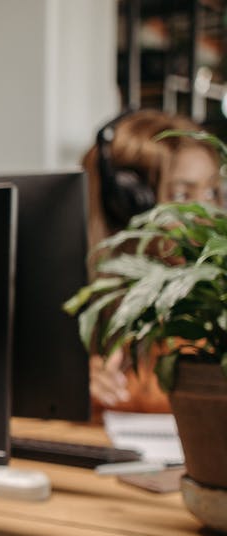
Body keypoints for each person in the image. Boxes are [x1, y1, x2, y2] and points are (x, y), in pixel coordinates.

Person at [80, 109, 221, 417]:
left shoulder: (213, 307)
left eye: (211, 191)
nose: (207, 213)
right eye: (183, 194)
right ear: (128, 206)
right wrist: (75, 388)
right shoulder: (79, 308)